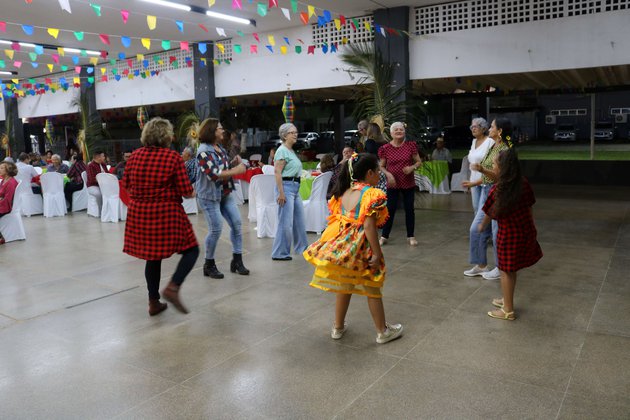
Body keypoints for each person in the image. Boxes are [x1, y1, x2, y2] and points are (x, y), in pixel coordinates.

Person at [303, 153, 403, 344]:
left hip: (343, 247)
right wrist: (377, 253)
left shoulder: (344, 191)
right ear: (370, 173)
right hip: (361, 248)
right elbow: (369, 227)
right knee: (372, 287)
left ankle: (338, 327)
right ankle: (382, 332)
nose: (380, 175)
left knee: (344, 285)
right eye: (378, 171)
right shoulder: (372, 194)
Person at [123, 117, 199, 316]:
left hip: (139, 215)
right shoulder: (172, 157)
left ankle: (153, 302)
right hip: (166, 214)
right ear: (166, 136)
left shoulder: (134, 157)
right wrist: (193, 192)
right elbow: (185, 190)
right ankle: (173, 288)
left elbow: (126, 185)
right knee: (192, 249)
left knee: (152, 257)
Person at [480, 148, 542, 320]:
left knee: (505, 270)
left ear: (503, 168)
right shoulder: (523, 183)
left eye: (494, 165)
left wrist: (481, 227)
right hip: (524, 231)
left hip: (507, 235)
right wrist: (532, 229)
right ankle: (506, 299)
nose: (493, 167)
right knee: (511, 269)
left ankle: (508, 310)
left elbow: (488, 212)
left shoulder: (498, 189)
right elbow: (530, 207)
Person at [195, 118, 250, 278]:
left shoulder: (219, 148)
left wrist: (233, 163)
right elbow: (213, 174)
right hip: (209, 197)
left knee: (237, 224)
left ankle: (237, 261)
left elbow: (222, 167)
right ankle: (209, 264)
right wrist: (237, 170)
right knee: (216, 229)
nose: (223, 130)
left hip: (225, 193)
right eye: (220, 128)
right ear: (212, 131)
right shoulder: (203, 151)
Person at [463, 118, 512, 281]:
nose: (489, 129)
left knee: (496, 232)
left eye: (491, 127)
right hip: (486, 191)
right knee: (477, 229)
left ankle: (500, 267)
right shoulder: (494, 146)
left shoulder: (503, 149)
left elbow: (498, 177)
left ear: (500, 131)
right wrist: (474, 182)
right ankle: (481, 265)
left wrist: (482, 169)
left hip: (497, 193)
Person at [378, 122, 422, 246]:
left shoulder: (411, 145)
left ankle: (411, 236)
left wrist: (412, 167)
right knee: (390, 209)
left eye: (401, 129)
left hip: (408, 182)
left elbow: (418, 162)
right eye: (396, 130)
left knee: (409, 209)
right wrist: (389, 175)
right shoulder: (385, 148)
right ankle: (384, 236)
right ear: (391, 133)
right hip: (392, 183)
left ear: (404, 132)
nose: (399, 131)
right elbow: (381, 166)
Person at [271, 123, 308, 261]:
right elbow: (277, 172)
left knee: (299, 221)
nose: (295, 135)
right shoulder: (282, 151)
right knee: (285, 223)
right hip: (286, 187)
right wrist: (281, 193)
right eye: (292, 132)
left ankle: (303, 249)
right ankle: (279, 253)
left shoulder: (290, 150)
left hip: (295, 187)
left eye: (296, 132)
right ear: (285, 135)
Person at [463, 118, 494, 214]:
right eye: (471, 127)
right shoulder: (473, 142)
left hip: (486, 181)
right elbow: (472, 163)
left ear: (483, 128)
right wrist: (470, 182)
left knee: (483, 210)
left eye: (475, 127)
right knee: (476, 208)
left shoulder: (490, 141)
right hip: (474, 182)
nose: (473, 129)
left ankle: (482, 225)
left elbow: (493, 163)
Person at [364, 122, 388, 192]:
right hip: (385, 168)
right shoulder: (385, 142)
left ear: (369, 131)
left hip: (374, 168)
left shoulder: (369, 142)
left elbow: (370, 152)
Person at [0, 161, 19, 245]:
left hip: (6, 206)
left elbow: (7, 199)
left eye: (1, 168)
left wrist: (1, 199)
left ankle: (1, 238)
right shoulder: (4, 180)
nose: (0, 170)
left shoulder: (11, 182)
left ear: (8, 170)